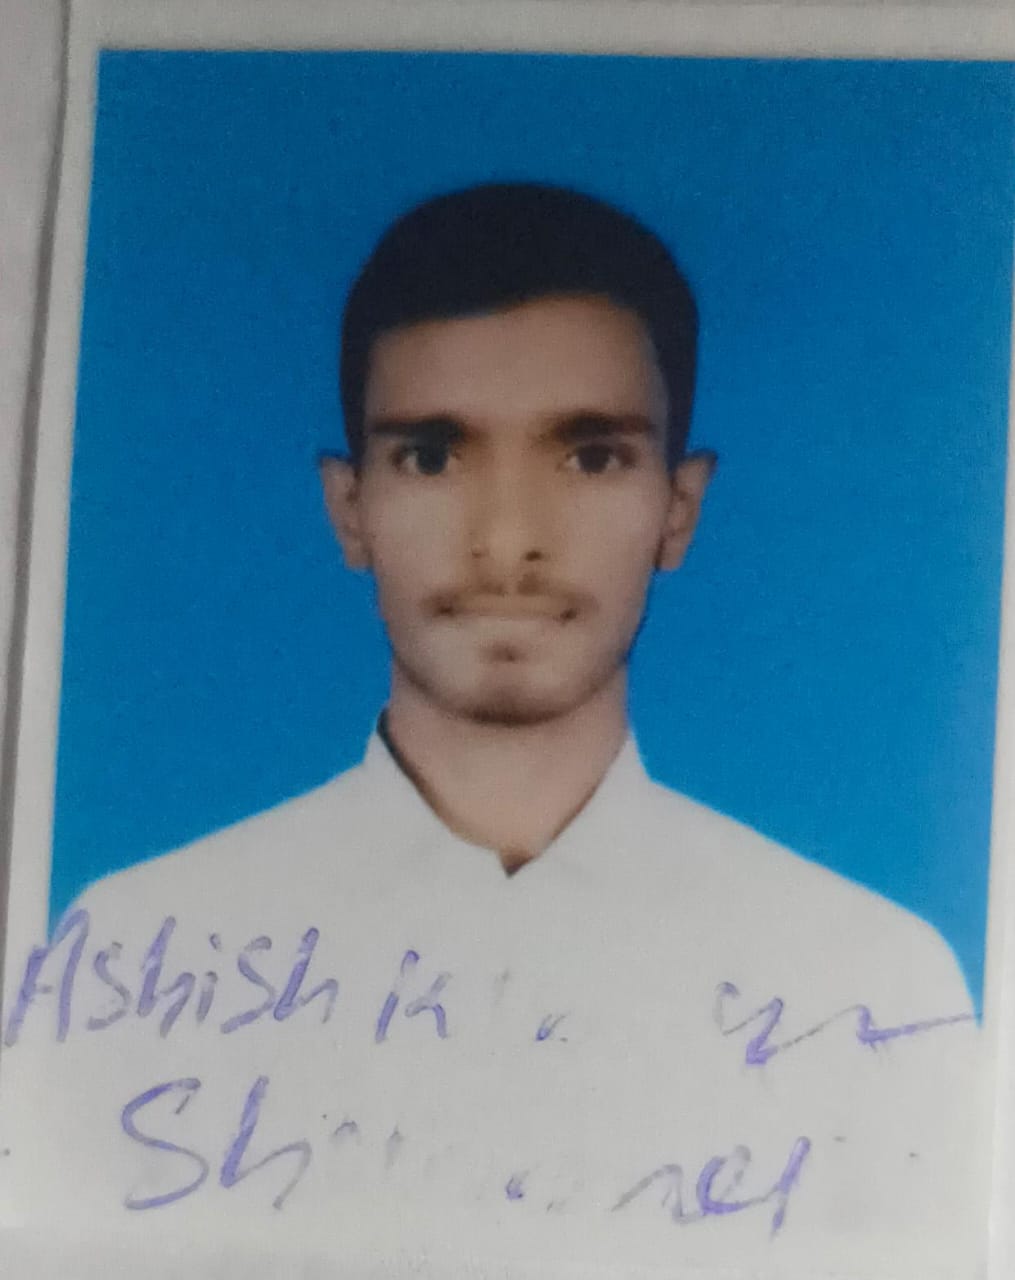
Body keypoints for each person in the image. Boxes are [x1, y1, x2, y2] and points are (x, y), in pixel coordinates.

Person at [4, 183, 982, 1273]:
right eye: (432, 455)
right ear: (348, 507)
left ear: (679, 506)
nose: (508, 540)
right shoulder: (134, 957)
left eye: (590, 455)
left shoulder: (873, 989)